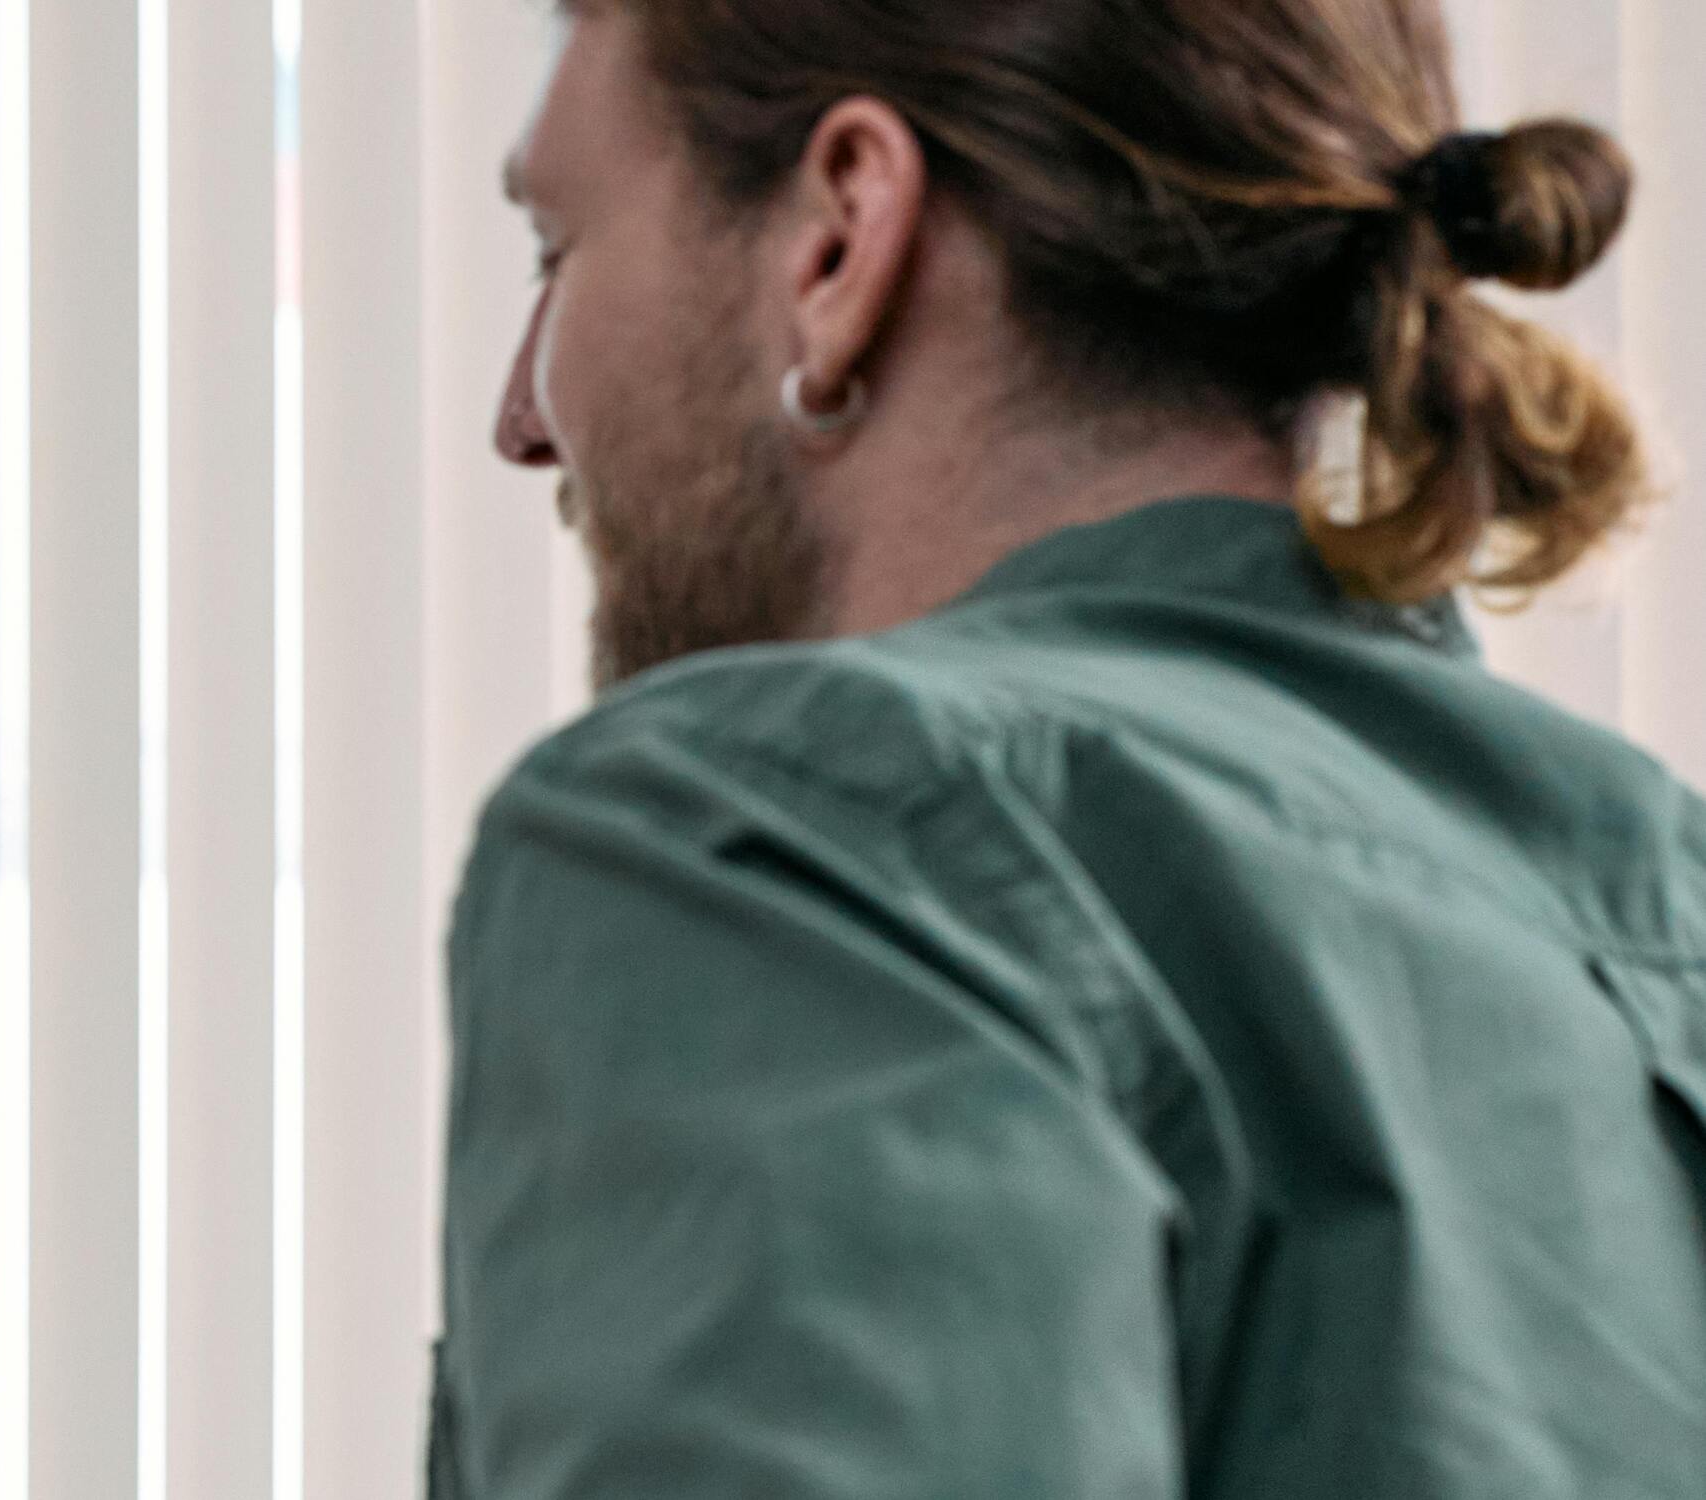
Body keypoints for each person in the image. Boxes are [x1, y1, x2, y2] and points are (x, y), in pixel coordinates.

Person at [441, 1, 1700, 1495]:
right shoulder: (1659, 898)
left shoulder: (772, 837)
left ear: (841, 234)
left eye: (557, 252)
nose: (524, 417)